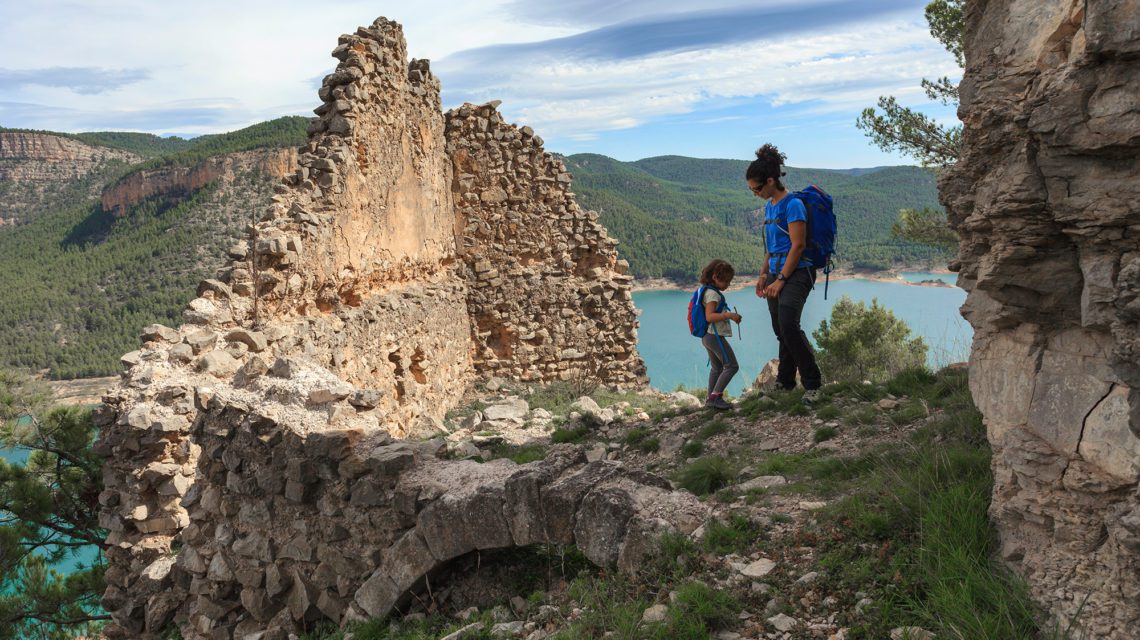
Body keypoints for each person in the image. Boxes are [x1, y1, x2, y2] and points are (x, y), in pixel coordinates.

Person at [747, 144, 823, 404]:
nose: (756, 194)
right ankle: (786, 382)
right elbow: (772, 247)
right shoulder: (770, 207)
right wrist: (762, 275)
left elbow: (797, 245)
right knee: (781, 329)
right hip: (775, 273)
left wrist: (780, 280)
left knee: (790, 325)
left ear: (771, 181)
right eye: (752, 191)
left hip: (798, 272)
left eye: (757, 188)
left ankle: (813, 384)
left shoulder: (793, 205)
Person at [697, 259, 743, 410]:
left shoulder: (706, 290)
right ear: (716, 277)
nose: (728, 285)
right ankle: (715, 397)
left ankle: (710, 401)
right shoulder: (713, 295)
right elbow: (710, 316)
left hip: (707, 337)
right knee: (732, 366)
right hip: (713, 336)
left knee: (716, 368)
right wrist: (729, 315)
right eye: (727, 281)